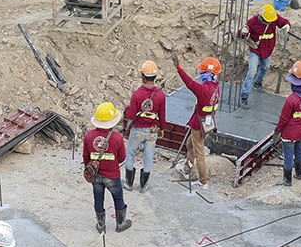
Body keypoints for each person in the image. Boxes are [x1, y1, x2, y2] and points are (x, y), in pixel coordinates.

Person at [174, 56, 221, 189]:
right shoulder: (216, 88)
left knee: (199, 153)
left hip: (198, 126)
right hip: (206, 123)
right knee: (190, 144)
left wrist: (179, 69)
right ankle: (187, 168)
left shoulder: (204, 90)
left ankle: (203, 181)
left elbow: (189, 83)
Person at [84, 102, 132, 233]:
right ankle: (120, 224)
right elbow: (122, 158)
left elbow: (85, 157)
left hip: (95, 175)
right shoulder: (117, 138)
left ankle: (101, 225)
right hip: (112, 175)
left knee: (98, 199)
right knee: (118, 198)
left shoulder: (89, 136)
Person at [123, 60, 167, 192]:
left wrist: (127, 129)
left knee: (130, 154)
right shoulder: (160, 95)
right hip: (152, 130)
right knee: (148, 157)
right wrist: (162, 128)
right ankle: (143, 186)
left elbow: (131, 115)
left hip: (138, 129)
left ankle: (128, 184)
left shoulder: (137, 94)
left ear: (143, 77)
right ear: (155, 77)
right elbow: (162, 115)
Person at [238, 3, 291, 100]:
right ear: (262, 19)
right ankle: (244, 96)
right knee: (251, 72)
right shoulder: (252, 22)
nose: (270, 23)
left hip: (267, 51)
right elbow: (240, 35)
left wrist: (287, 25)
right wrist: (243, 32)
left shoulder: (273, 18)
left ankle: (257, 83)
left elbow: (284, 22)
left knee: (265, 67)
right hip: (255, 50)